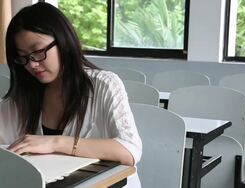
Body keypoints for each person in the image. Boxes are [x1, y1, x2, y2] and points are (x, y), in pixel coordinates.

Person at [0, 2, 142, 187]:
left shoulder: (103, 85)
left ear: (63, 40)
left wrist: (56, 143)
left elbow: (129, 151)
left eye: (38, 51)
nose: (32, 64)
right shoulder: (22, 98)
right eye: (23, 57)